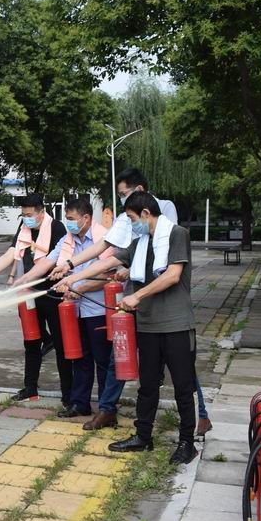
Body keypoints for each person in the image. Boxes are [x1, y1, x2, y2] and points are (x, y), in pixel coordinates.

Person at [47, 168, 211, 436]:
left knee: (181, 372)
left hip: (168, 312)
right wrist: (70, 271)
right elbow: (109, 254)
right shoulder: (134, 228)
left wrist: (134, 290)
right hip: (141, 308)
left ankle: (198, 419)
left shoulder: (167, 219)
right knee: (127, 363)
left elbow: (170, 271)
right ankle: (115, 414)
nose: (123, 204)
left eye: (125, 196)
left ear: (141, 196)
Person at [24, 198, 121, 427]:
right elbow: (47, 262)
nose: (68, 224)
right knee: (80, 358)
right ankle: (80, 404)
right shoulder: (67, 240)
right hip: (74, 310)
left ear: (86, 218)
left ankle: (107, 408)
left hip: (97, 310)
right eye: (66, 219)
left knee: (102, 360)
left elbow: (110, 275)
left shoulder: (103, 239)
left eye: (71, 219)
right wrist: (24, 279)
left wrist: (80, 287)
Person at [0, 195, 68, 405]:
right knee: (31, 342)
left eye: (29, 215)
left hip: (53, 294)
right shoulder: (25, 229)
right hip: (29, 293)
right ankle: (30, 388)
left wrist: (25, 278)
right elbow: (11, 253)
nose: (26, 219)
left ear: (41, 211)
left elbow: (55, 260)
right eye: (23, 215)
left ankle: (68, 393)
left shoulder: (57, 228)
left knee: (61, 345)